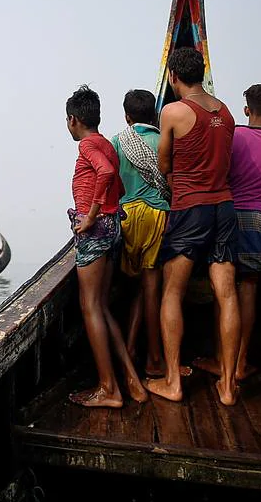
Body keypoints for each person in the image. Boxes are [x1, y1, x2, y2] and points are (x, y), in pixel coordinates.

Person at [144, 46, 241, 407]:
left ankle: (172, 381)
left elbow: (164, 163)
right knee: (227, 294)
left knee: (172, 292)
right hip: (224, 207)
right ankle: (228, 388)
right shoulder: (227, 112)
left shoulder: (172, 111)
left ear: (173, 77)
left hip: (190, 210)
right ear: (202, 72)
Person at [192, 83, 261, 384]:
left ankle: (222, 359)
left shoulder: (234, 136)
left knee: (224, 291)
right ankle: (240, 363)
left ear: (246, 110)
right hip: (258, 219)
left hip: (227, 212)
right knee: (247, 289)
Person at [65, 84, 148, 408]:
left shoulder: (88, 145)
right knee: (101, 306)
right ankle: (131, 381)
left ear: (73, 119)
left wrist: (90, 217)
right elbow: (121, 183)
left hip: (96, 229)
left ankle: (108, 389)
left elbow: (107, 172)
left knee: (90, 307)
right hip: (112, 229)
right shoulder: (107, 143)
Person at [110, 88, 174, 380]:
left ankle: (130, 349)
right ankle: (153, 358)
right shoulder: (163, 139)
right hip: (156, 214)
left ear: (126, 116)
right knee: (152, 288)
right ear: (154, 116)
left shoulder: (116, 142)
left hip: (126, 215)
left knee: (133, 287)